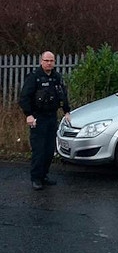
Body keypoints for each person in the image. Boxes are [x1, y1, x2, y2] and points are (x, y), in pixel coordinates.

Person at [19, 51, 71, 190]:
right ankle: (36, 178)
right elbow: (24, 97)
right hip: (37, 117)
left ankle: (44, 175)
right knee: (39, 149)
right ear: (41, 61)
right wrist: (28, 115)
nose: (49, 63)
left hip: (51, 117)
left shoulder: (56, 77)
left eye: (51, 61)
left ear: (54, 62)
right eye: (46, 60)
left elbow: (62, 94)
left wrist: (66, 111)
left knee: (49, 150)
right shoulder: (34, 77)